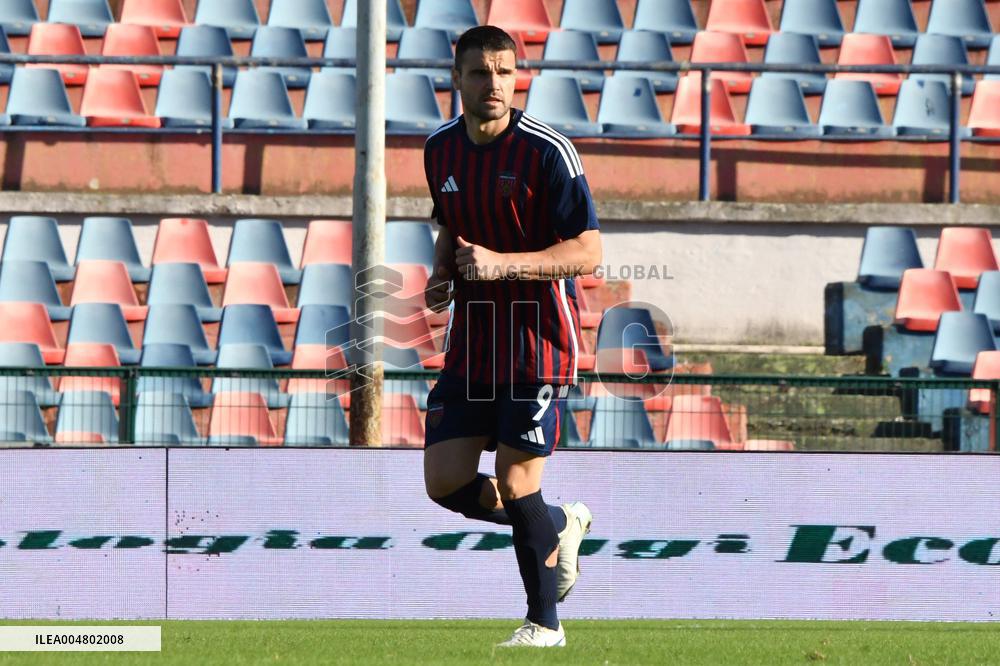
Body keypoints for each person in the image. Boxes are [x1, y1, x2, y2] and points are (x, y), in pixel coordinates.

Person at [421, 25, 603, 648]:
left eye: (504, 72)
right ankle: (558, 524)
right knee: (445, 481)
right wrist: (440, 274)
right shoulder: (439, 150)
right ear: (457, 79)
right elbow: (450, 225)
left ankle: (544, 626)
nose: (494, 84)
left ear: (516, 77)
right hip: (473, 343)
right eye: (480, 72)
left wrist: (503, 264)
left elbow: (589, 250)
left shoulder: (548, 151)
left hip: (537, 340)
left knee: (519, 480)